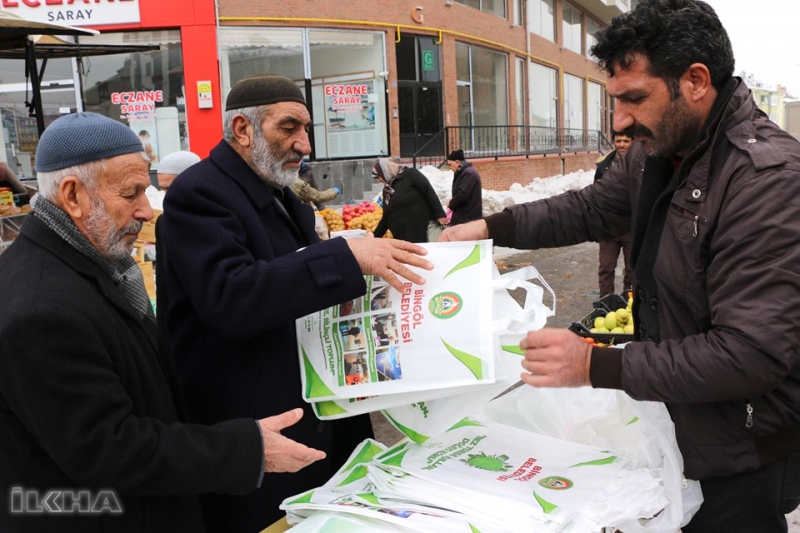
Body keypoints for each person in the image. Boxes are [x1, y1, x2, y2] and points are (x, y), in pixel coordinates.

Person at [440, 1, 800, 531]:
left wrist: (592, 366)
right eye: (615, 100)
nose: (620, 121)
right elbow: (589, 208)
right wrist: (490, 229)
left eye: (635, 98)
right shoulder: (661, 150)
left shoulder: (765, 181)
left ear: (695, 81)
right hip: (682, 419)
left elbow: (750, 353)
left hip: (743, 446)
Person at [0, 113, 327, 533]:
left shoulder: (83, 266)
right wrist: (247, 450)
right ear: (73, 195)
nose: (145, 210)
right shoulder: (41, 310)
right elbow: (108, 450)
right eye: (131, 193)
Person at [159, 75, 433, 532]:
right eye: (289, 128)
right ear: (243, 129)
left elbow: (295, 286)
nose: (304, 144)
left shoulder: (280, 191)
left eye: (307, 129)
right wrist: (343, 257)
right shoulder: (199, 194)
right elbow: (232, 298)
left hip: (314, 411)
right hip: (256, 422)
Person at [593, 128, 634, 296]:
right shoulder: (603, 165)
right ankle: (604, 303)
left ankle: (630, 303)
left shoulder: (641, 164)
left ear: (632, 142)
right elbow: (595, 194)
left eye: (625, 141)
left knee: (632, 270)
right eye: (618, 141)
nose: (621, 145)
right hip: (609, 227)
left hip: (632, 227)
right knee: (606, 268)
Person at [372, 158, 446, 243]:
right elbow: (386, 217)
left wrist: (440, 214)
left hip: (420, 229)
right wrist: (375, 236)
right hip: (401, 237)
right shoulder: (387, 191)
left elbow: (428, 191)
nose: (379, 180)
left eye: (379, 176)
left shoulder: (410, 174)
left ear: (386, 171)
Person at [445, 149, 483, 226]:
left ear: (457, 162)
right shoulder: (463, 172)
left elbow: (462, 195)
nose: (449, 168)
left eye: (450, 165)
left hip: (468, 219)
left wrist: (451, 204)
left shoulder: (468, 173)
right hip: (464, 217)